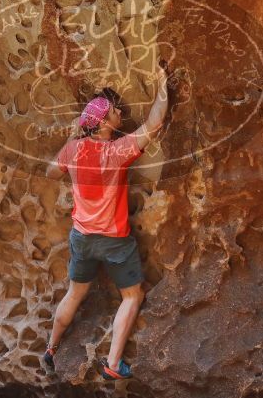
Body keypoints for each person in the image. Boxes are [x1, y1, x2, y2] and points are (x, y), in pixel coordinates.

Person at [44, 65, 169, 380]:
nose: (119, 114)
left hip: (82, 237)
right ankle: (113, 364)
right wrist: (163, 85)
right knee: (132, 295)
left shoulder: (73, 150)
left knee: (75, 293)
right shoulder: (116, 152)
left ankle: (51, 348)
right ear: (103, 123)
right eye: (114, 111)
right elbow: (155, 123)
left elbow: (50, 172)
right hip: (114, 241)